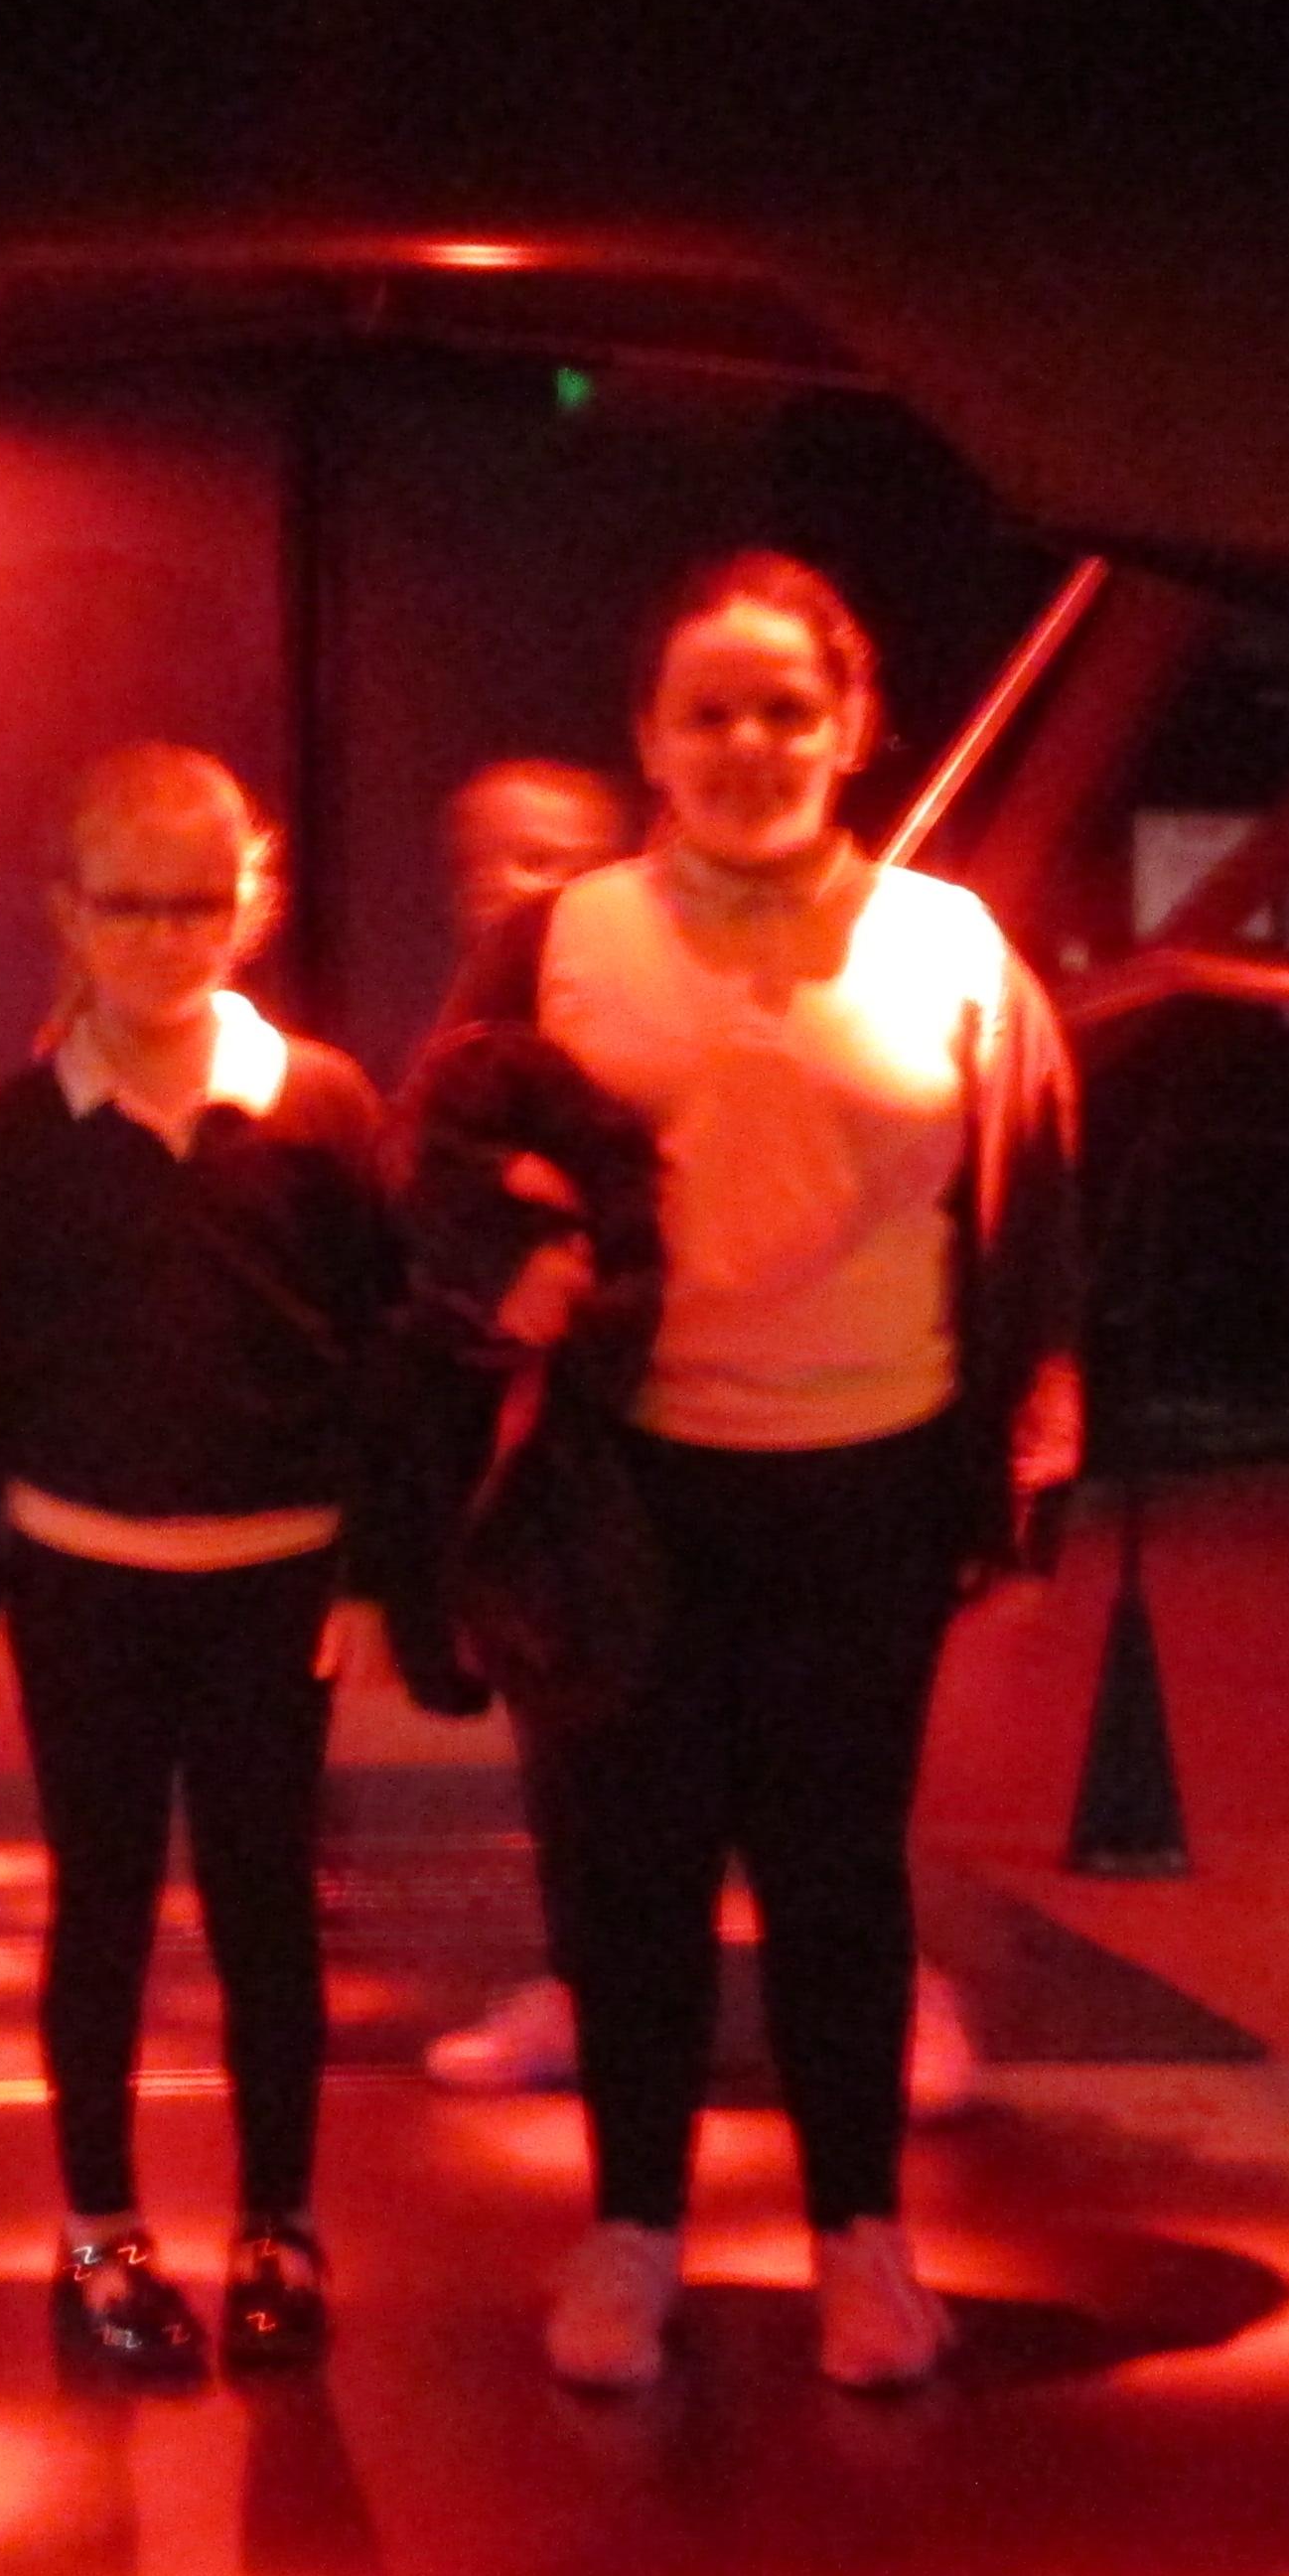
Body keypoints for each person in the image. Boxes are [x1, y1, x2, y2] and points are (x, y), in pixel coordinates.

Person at [406, 556, 1077, 2393]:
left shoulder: (954, 948)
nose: (749, 743)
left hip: (870, 1489)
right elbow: (433, 1158)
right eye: (709, 711)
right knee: (628, 1878)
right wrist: (506, 1269)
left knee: (837, 1875)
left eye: (788, 708)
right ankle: (633, 2234)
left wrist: (1024, 1486)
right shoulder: (560, 942)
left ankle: (862, 2236)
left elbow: (1032, 1221)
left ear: (854, 726)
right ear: (651, 737)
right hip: (626, 1489)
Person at [0, 744, 395, 2386]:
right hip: (84, 1579)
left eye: (199, 903)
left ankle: (278, 2224)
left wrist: (374, 1574)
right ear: (68, 913)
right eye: (131, 907)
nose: (168, 938)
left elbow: (376, 1357)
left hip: (277, 1577)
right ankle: (100, 2234)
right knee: (100, 1909)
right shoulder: (15, 1140)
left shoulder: (323, 1108)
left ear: (249, 902)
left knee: (270, 1910)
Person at [411, 757, 989, 2127]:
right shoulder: (497, 1016)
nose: (523, 883)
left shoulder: (717, 987)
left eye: (554, 856)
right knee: (585, 1740)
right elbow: (431, 1190)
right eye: (493, 859)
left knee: (823, 1773)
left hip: (799, 1426)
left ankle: (892, 2002)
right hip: (593, 1441)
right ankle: (588, 1994)